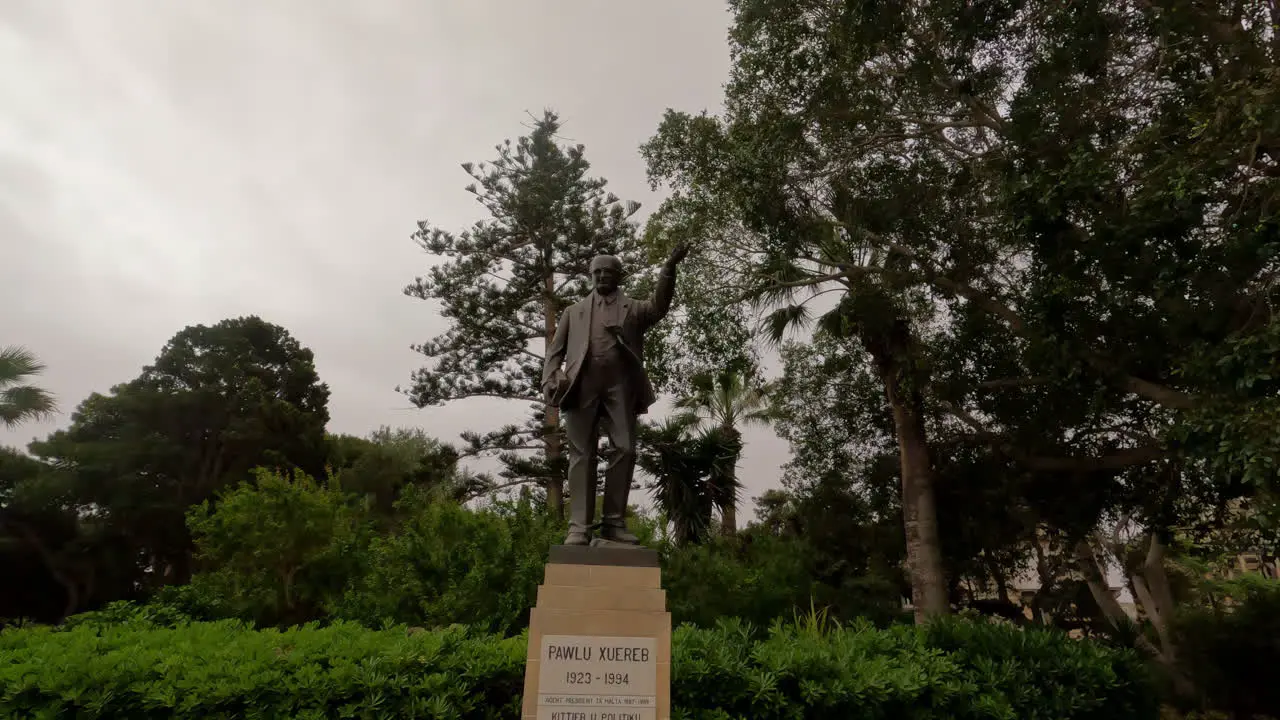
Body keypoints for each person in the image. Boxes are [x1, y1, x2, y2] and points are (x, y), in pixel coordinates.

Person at [542, 244, 690, 546]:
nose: (601, 277)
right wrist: (552, 379)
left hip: (619, 388)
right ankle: (579, 527)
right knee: (581, 454)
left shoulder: (633, 309)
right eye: (596, 272)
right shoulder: (574, 312)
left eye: (607, 272)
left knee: (625, 448)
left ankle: (613, 524)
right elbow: (553, 354)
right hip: (581, 387)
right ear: (590, 276)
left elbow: (659, 306)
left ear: (618, 276)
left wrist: (669, 267)